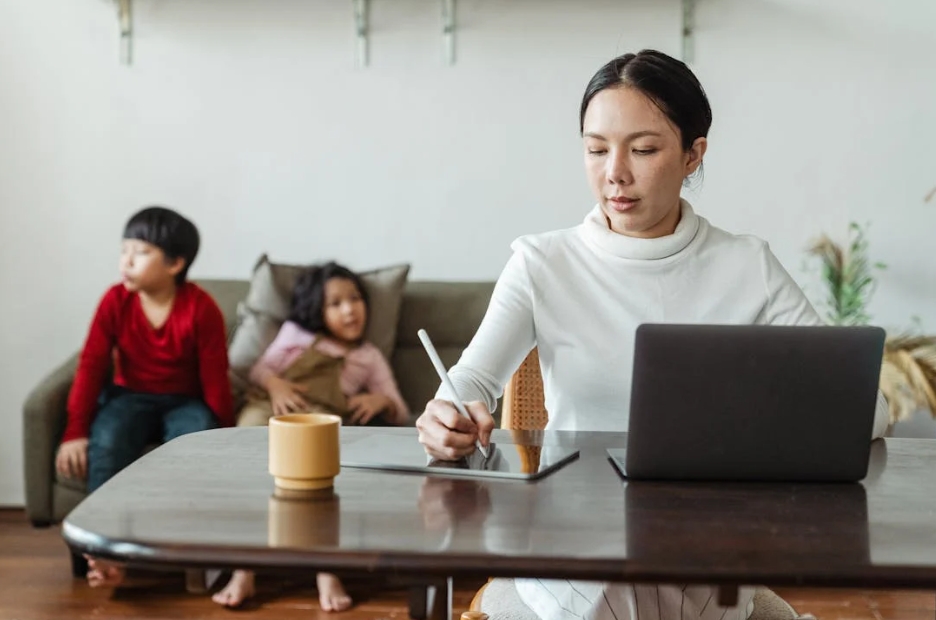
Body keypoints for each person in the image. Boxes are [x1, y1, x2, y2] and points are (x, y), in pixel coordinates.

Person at [415, 49, 889, 620]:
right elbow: (470, 377)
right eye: (595, 149)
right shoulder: (543, 262)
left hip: (707, 549)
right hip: (572, 547)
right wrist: (448, 410)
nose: (615, 171)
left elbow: (860, 404)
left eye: (643, 149)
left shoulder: (746, 265)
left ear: (694, 154)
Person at [212, 261, 410, 610]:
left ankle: (326, 567)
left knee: (314, 475)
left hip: (321, 419)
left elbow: (400, 408)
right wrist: (276, 385)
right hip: (272, 409)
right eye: (335, 303)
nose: (349, 309)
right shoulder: (295, 335)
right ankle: (244, 568)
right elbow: (260, 370)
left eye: (355, 299)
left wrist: (380, 400)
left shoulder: (368, 356)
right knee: (252, 459)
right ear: (315, 310)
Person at [55, 206, 234, 583]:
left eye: (140, 252)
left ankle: (185, 550)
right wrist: (75, 430)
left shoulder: (201, 309)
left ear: (175, 263)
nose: (127, 261)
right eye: (124, 250)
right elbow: (90, 366)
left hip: (184, 400)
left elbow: (216, 379)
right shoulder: (114, 301)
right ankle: (100, 553)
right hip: (130, 395)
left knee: (196, 436)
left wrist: (228, 438)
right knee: (107, 441)